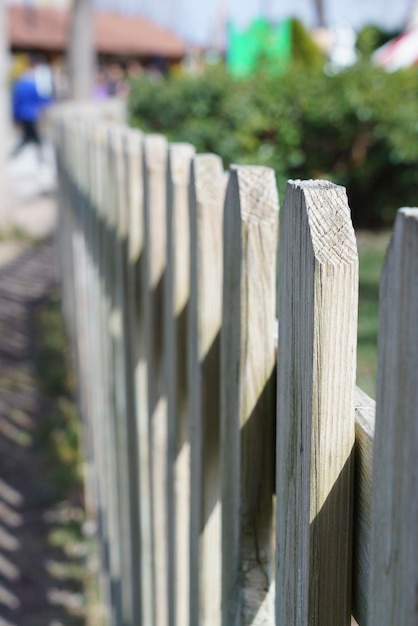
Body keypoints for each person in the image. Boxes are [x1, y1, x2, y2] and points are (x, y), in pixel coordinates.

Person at [10, 58, 52, 160]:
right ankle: (41, 160)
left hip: (23, 114)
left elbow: (15, 102)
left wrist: (15, 117)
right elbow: (41, 99)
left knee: (28, 138)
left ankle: (14, 155)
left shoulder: (19, 84)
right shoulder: (32, 84)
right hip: (31, 115)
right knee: (33, 138)